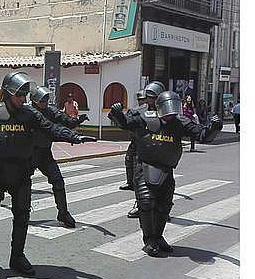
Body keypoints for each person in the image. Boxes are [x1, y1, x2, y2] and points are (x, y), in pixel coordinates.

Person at [0, 71, 95, 276]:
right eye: (19, 94)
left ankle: (17, 256)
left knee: (22, 215)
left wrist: (73, 136)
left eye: (25, 95)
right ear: (8, 93)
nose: (23, 98)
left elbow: (51, 128)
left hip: (21, 171)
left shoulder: (29, 114)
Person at [109, 91, 221, 258]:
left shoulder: (180, 122)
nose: (170, 112)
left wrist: (214, 127)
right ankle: (149, 240)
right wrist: (117, 113)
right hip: (144, 166)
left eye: (174, 107)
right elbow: (125, 123)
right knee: (146, 202)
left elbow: (202, 135)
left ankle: (158, 237)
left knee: (164, 205)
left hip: (166, 169)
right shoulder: (144, 117)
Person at [29, 86, 86, 228]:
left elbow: (65, 121)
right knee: (22, 184)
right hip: (29, 153)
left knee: (58, 181)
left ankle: (63, 213)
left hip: (45, 153)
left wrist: (78, 121)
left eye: (46, 99)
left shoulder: (51, 111)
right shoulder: (27, 112)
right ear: (35, 100)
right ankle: (21, 211)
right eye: (42, 100)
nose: (45, 102)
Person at [114, 82, 164, 197]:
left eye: (151, 98)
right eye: (143, 99)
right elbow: (126, 123)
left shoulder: (164, 111)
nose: (144, 101)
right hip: (138, 141)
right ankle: (133, 187)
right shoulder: (137, 111)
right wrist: (118, 115)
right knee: (133, 164)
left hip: (156, 144)